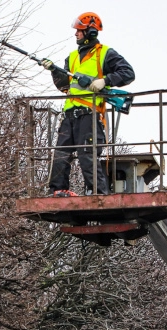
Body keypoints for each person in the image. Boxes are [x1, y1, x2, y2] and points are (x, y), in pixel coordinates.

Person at [41, 12, 135, 197]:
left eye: (79, 31)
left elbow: (128, 73)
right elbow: (64, 86)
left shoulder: (106, 53)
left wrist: (105, 80)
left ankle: (99, 194)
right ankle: (58, 190)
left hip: (89, 114)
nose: (76, 34)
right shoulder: (72, 57)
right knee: (60, 155)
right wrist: (54, 70)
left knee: (87, 156)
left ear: (91, 32)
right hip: (69, 115)